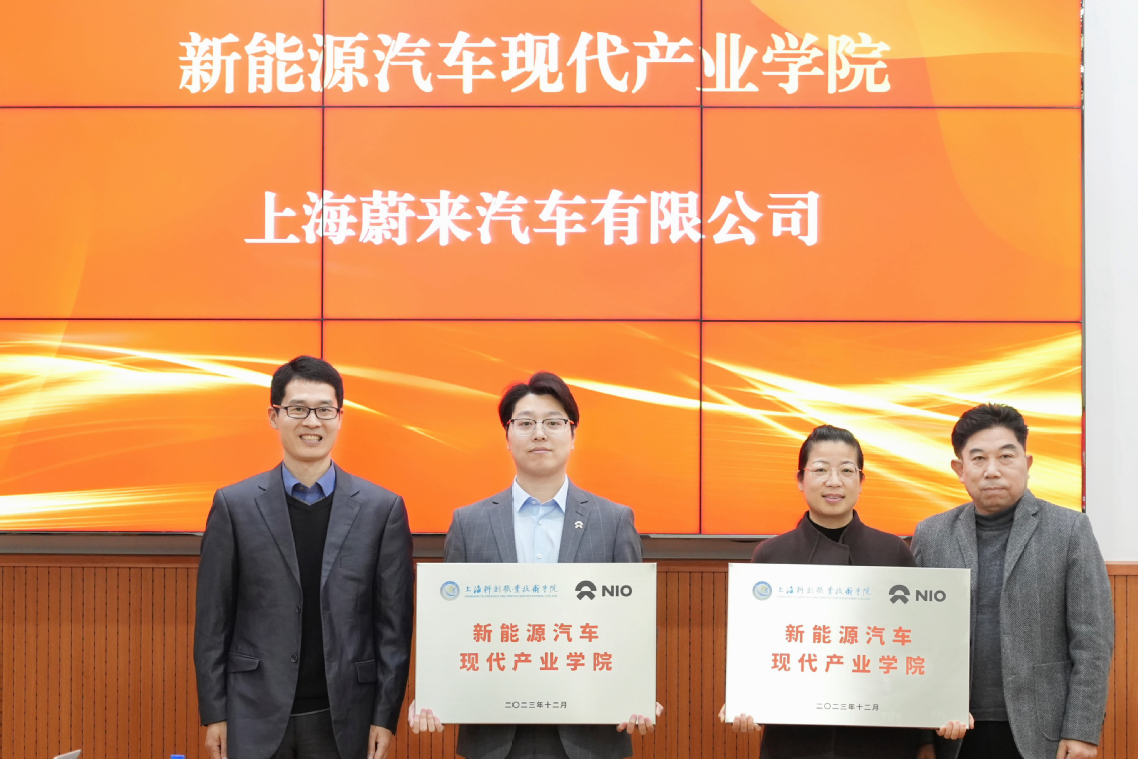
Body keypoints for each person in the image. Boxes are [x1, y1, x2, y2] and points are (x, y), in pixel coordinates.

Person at [408, 371, 661, 759]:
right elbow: (450, 624)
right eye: (525, 423)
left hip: (591, 735)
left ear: (572, 435)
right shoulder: (469, 522)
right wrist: (434, 692)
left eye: (553, 423)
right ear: (507, 436)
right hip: (495, 737)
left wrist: (638, 690)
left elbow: (632, 622)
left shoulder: (613, 521)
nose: (539, 434)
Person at [194, 356, 414, 759]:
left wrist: (384, 717)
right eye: (298, 409)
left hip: (346, 717)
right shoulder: (234, 505)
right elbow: (213, 622)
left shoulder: (382, 510)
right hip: (252, 713)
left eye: (324, 410)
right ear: (274, 416)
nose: (312, 422)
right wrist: (215, 713)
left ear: (340, 418)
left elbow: (393, 630)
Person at [718, 424, 970, 759]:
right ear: (800, 479)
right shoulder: (771, 555)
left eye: (847, 470)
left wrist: (928, 732)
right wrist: (744, 698)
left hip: (882, 741)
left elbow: (917, 646)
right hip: (795, 742)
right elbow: (755, 646)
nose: (834, 481)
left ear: (861, 482)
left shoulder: (893, 552)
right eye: (820, 470)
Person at [912, 404, 1114, 759]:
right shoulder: (932, 534)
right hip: (953, 731)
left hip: (1042, 731)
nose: (992, 470)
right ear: (959, 469)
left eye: (1006, 456)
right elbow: (915, 637)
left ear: (1027, 463)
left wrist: (1081, 731)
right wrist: (922, 736)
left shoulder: (1069, 530)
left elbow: (1093, 641)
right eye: (978, 458)